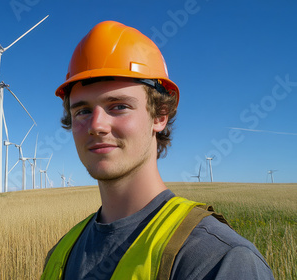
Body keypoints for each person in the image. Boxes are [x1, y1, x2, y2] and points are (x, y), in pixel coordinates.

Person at [41, 21, 274, 280]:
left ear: (160, 116)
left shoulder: (219, 260)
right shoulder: (61, 253)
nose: (96, 125)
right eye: (82, 111)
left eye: (118, 106)